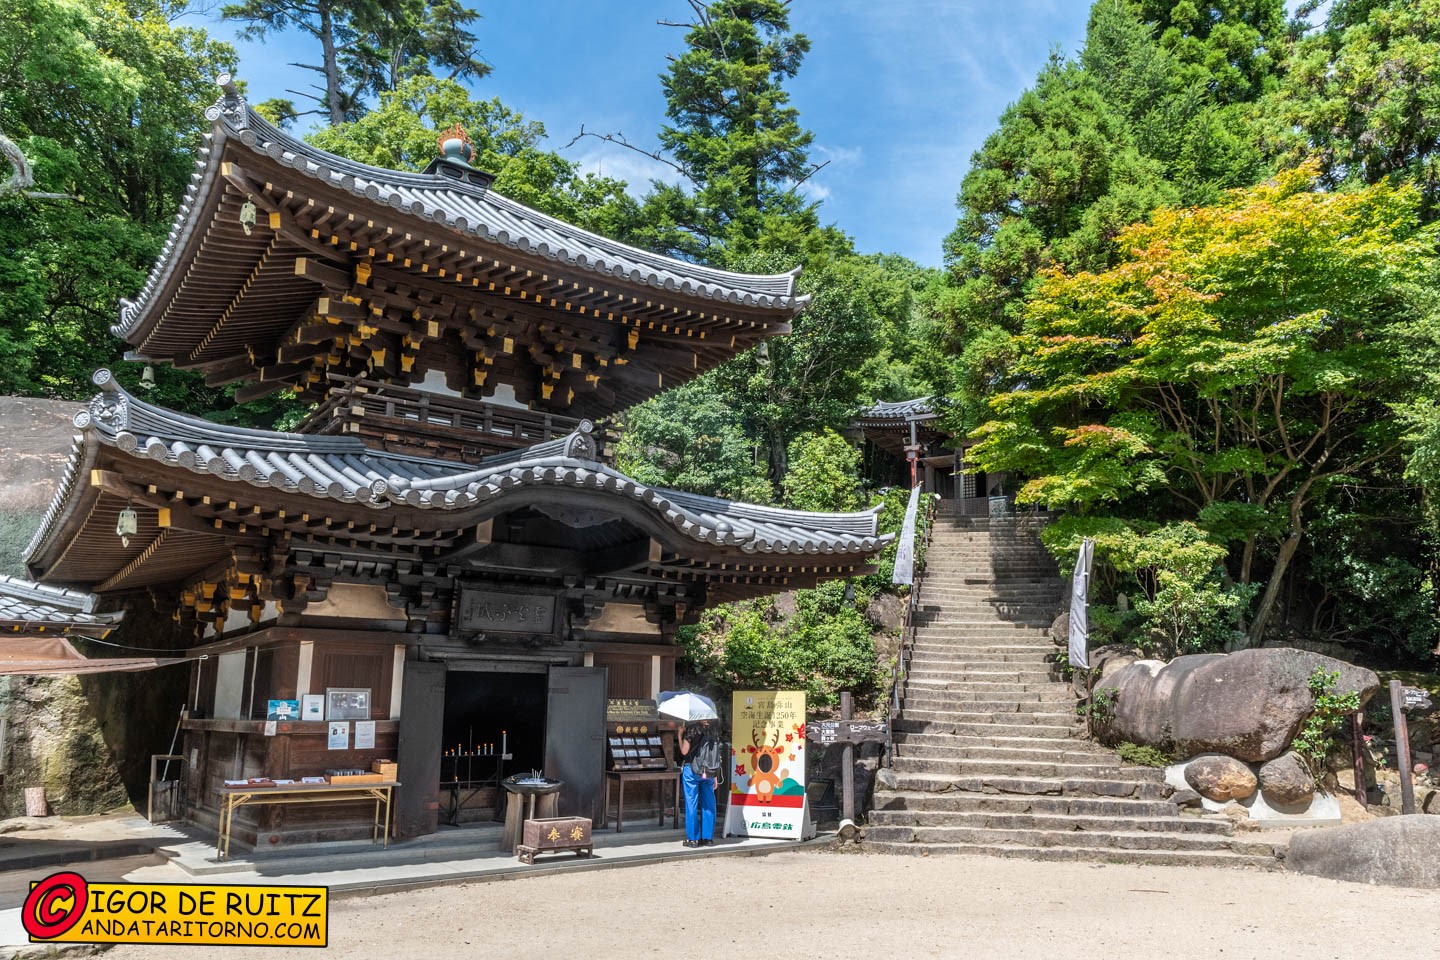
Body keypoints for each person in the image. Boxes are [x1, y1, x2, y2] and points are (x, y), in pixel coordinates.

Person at [678, 718, 720, 847]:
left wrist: (680, 735)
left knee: (691, 804)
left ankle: (693, 839)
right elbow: (715, 755)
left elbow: (684, 751)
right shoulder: (714, 731)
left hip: (692, 770)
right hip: (709, 772)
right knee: (709, 804)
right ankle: (707, 838)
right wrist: (715, 776)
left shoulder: (692, 729)